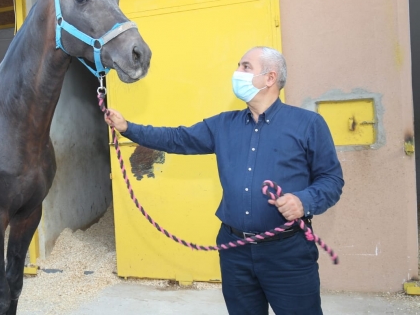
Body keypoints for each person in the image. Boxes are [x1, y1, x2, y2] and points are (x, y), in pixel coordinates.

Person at [104, 46, 344, 315]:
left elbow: (331, 179)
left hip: (287, 254)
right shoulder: (223, 125)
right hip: (235, 251)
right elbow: (176, 138)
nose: (237, 73)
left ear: (270, 78)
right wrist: (128, 128)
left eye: (245, 67)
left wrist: (304, 201)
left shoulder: (308, 124)